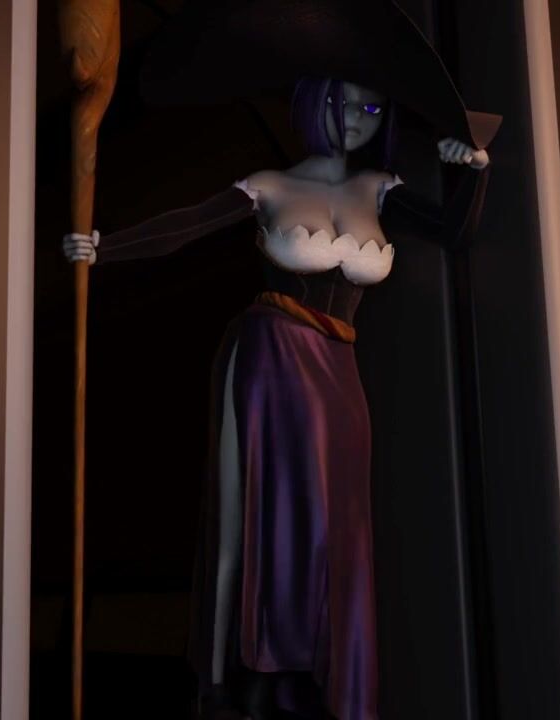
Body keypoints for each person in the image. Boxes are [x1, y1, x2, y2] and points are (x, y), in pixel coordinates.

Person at [62, 73, 490, 720]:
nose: (356, 117)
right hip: (273, 353)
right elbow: (187, 226)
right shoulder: (269, 185)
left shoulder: (382, 188)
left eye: (371, 106)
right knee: (257, 510)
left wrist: (474, 170)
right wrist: (103, 248)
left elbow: (454, 231)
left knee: (341, 520)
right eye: (340, 102)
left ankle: (323, 677)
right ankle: (225, 675)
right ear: (311, 104)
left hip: (341, 367)